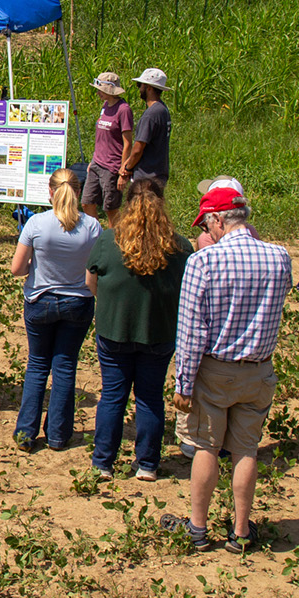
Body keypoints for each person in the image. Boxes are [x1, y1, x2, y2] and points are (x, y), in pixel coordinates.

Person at [165, 186, 291, 553]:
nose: (208, 230)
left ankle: (198, 528)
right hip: (259, 370)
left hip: (215, 370)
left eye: (208, 222)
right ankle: (240, 530)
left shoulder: (203, 262)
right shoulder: (280, 257)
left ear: (219, 219)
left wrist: (184, 383)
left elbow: (191, 330)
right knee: (246, 449)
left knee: (205, 445)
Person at [87, 178, 190, 481]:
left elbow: (90, 283)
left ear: (128, 203)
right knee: (150, 398)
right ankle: (147, 464)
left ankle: (103, 462)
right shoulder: (180, 246)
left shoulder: (109, 240)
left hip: (114, 329)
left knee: (112, 397)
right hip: (159, 333)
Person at [9, 168, 100, 453]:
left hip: (41, 301)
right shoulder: (92, 227)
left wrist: (33, 269)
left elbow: (17, 269)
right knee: (65, 366)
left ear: (50, 192)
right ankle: (59, 435)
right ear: (78, 192)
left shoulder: (36, 224)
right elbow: (94, 270)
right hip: (78, 302)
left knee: (37, 365)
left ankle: (26, 433)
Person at [80, 72, 133, 218]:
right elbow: (100, 137)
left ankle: (113, 238)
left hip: (112, 166)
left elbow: (128, 142)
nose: (97, 93)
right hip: (97, 163)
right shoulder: (105, 105)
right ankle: (96, 235)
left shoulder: (124, 110)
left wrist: (123, 171)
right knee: (86, 202)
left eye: (100, 90)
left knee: (110, 208)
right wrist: (93, 160)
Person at [117, 68, 171, 195]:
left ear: (149, 88)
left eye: (139, 85)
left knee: (141, 213)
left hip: (145, 178)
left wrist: (127, 168)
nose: (139, 89)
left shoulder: (150, 115)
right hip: (159, 174)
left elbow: (138, 148)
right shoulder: (163, 110)